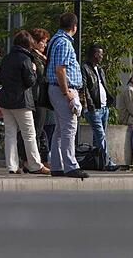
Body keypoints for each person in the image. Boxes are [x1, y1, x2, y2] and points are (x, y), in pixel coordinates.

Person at [0, 30, 50, 175]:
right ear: (28, 44)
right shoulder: (27, 59)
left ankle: (12, 166)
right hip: (21, 101)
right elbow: (30, 82)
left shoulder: (7, 58)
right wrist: (33, 71)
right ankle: (35, 165)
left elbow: (0, 78)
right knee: (29, 133)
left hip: (5, 100)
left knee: (10, 133)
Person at [46, 12, 88, 179]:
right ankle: (71, 166)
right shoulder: (64, 43)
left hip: (56, 89)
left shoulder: (55, 40)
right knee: (70, 128)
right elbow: (60, 69)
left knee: (59, 130)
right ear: (74, 27)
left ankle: (57, 165)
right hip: (63, 89)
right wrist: (67, 93)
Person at [80, 44, 119, 171]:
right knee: (100, 135)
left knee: (98, 139)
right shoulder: (85, 68)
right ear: (95, 54)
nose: (102, 56)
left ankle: (97, 162)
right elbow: (84, 88)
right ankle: (107, 162)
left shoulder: (100, 69)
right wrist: (90, 105)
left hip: (103, 108)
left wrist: (109, 99)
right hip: (94, 108)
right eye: (100, 54)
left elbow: (103, 86)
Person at [29, 28, 51, 163]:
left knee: (40, 128)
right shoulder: (33, 57)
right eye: (43, 42)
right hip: (37, 96)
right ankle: (36, 160)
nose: (45, 45)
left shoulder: (41, 57)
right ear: (35, 42)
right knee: (36, 129)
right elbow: (40, 77)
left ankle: (41, 158)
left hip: (41, 95)